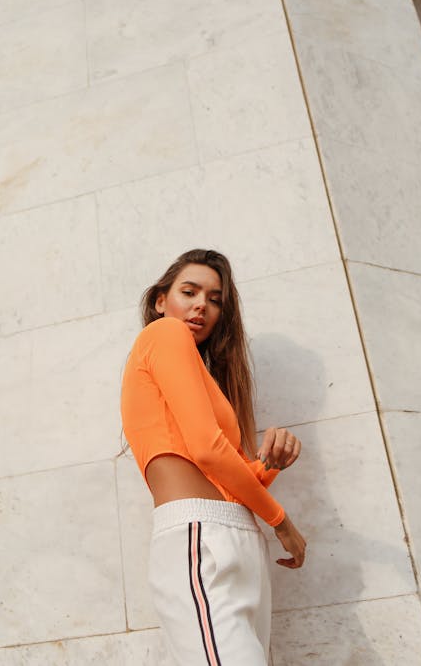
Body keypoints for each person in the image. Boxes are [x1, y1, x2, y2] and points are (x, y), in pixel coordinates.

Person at [120, 248, 306, 665]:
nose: (202, 304)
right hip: (199, 538)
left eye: (215, 299)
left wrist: (267, 466)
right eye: (189, 291)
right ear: (160, 301)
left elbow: (218, 470)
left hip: (231, 537)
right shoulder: (162, 334)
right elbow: (206, 449)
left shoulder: (205, 377)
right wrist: (281, 521)